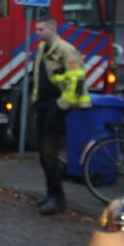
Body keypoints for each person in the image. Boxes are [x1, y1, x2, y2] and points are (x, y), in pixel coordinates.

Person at [32, 15, 91, 215]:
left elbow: (77, 80)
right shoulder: (42, 49)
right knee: (43, 154)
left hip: (56, 107)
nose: (37, 33)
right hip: (43, 106)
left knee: (49, 153)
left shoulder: (66, 50)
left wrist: (62, 105)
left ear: (52, 29)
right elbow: (40, 78)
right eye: (37, 29)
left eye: (41, 29)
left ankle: (57, 198)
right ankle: (51, 194)